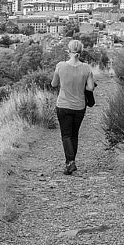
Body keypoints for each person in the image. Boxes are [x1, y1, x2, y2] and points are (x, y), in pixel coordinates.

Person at [50, 39, 96, 175]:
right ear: (81, 52)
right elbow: (90, 87)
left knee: (66, 135)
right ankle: (70, 162)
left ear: (68, 51)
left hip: (63, 105)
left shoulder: (60, 66)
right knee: (74, 135)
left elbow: (53, 84)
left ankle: (70, 163)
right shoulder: (86, 68)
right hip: (79, 106)